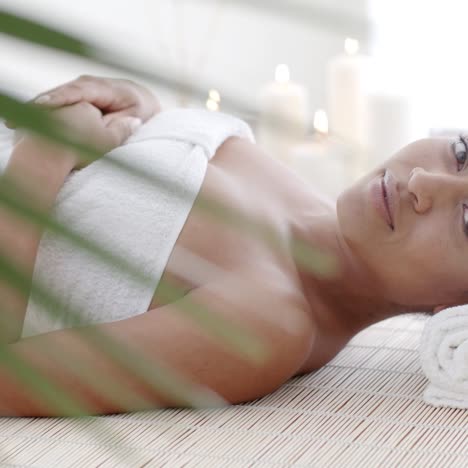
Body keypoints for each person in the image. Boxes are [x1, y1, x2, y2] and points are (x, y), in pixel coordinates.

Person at [0, 74, 464, 417]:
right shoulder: (310, 203)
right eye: (461, 154)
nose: (423, 181)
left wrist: (43, 155)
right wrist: (138, 107)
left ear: (458, 304)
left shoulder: (268, 326)